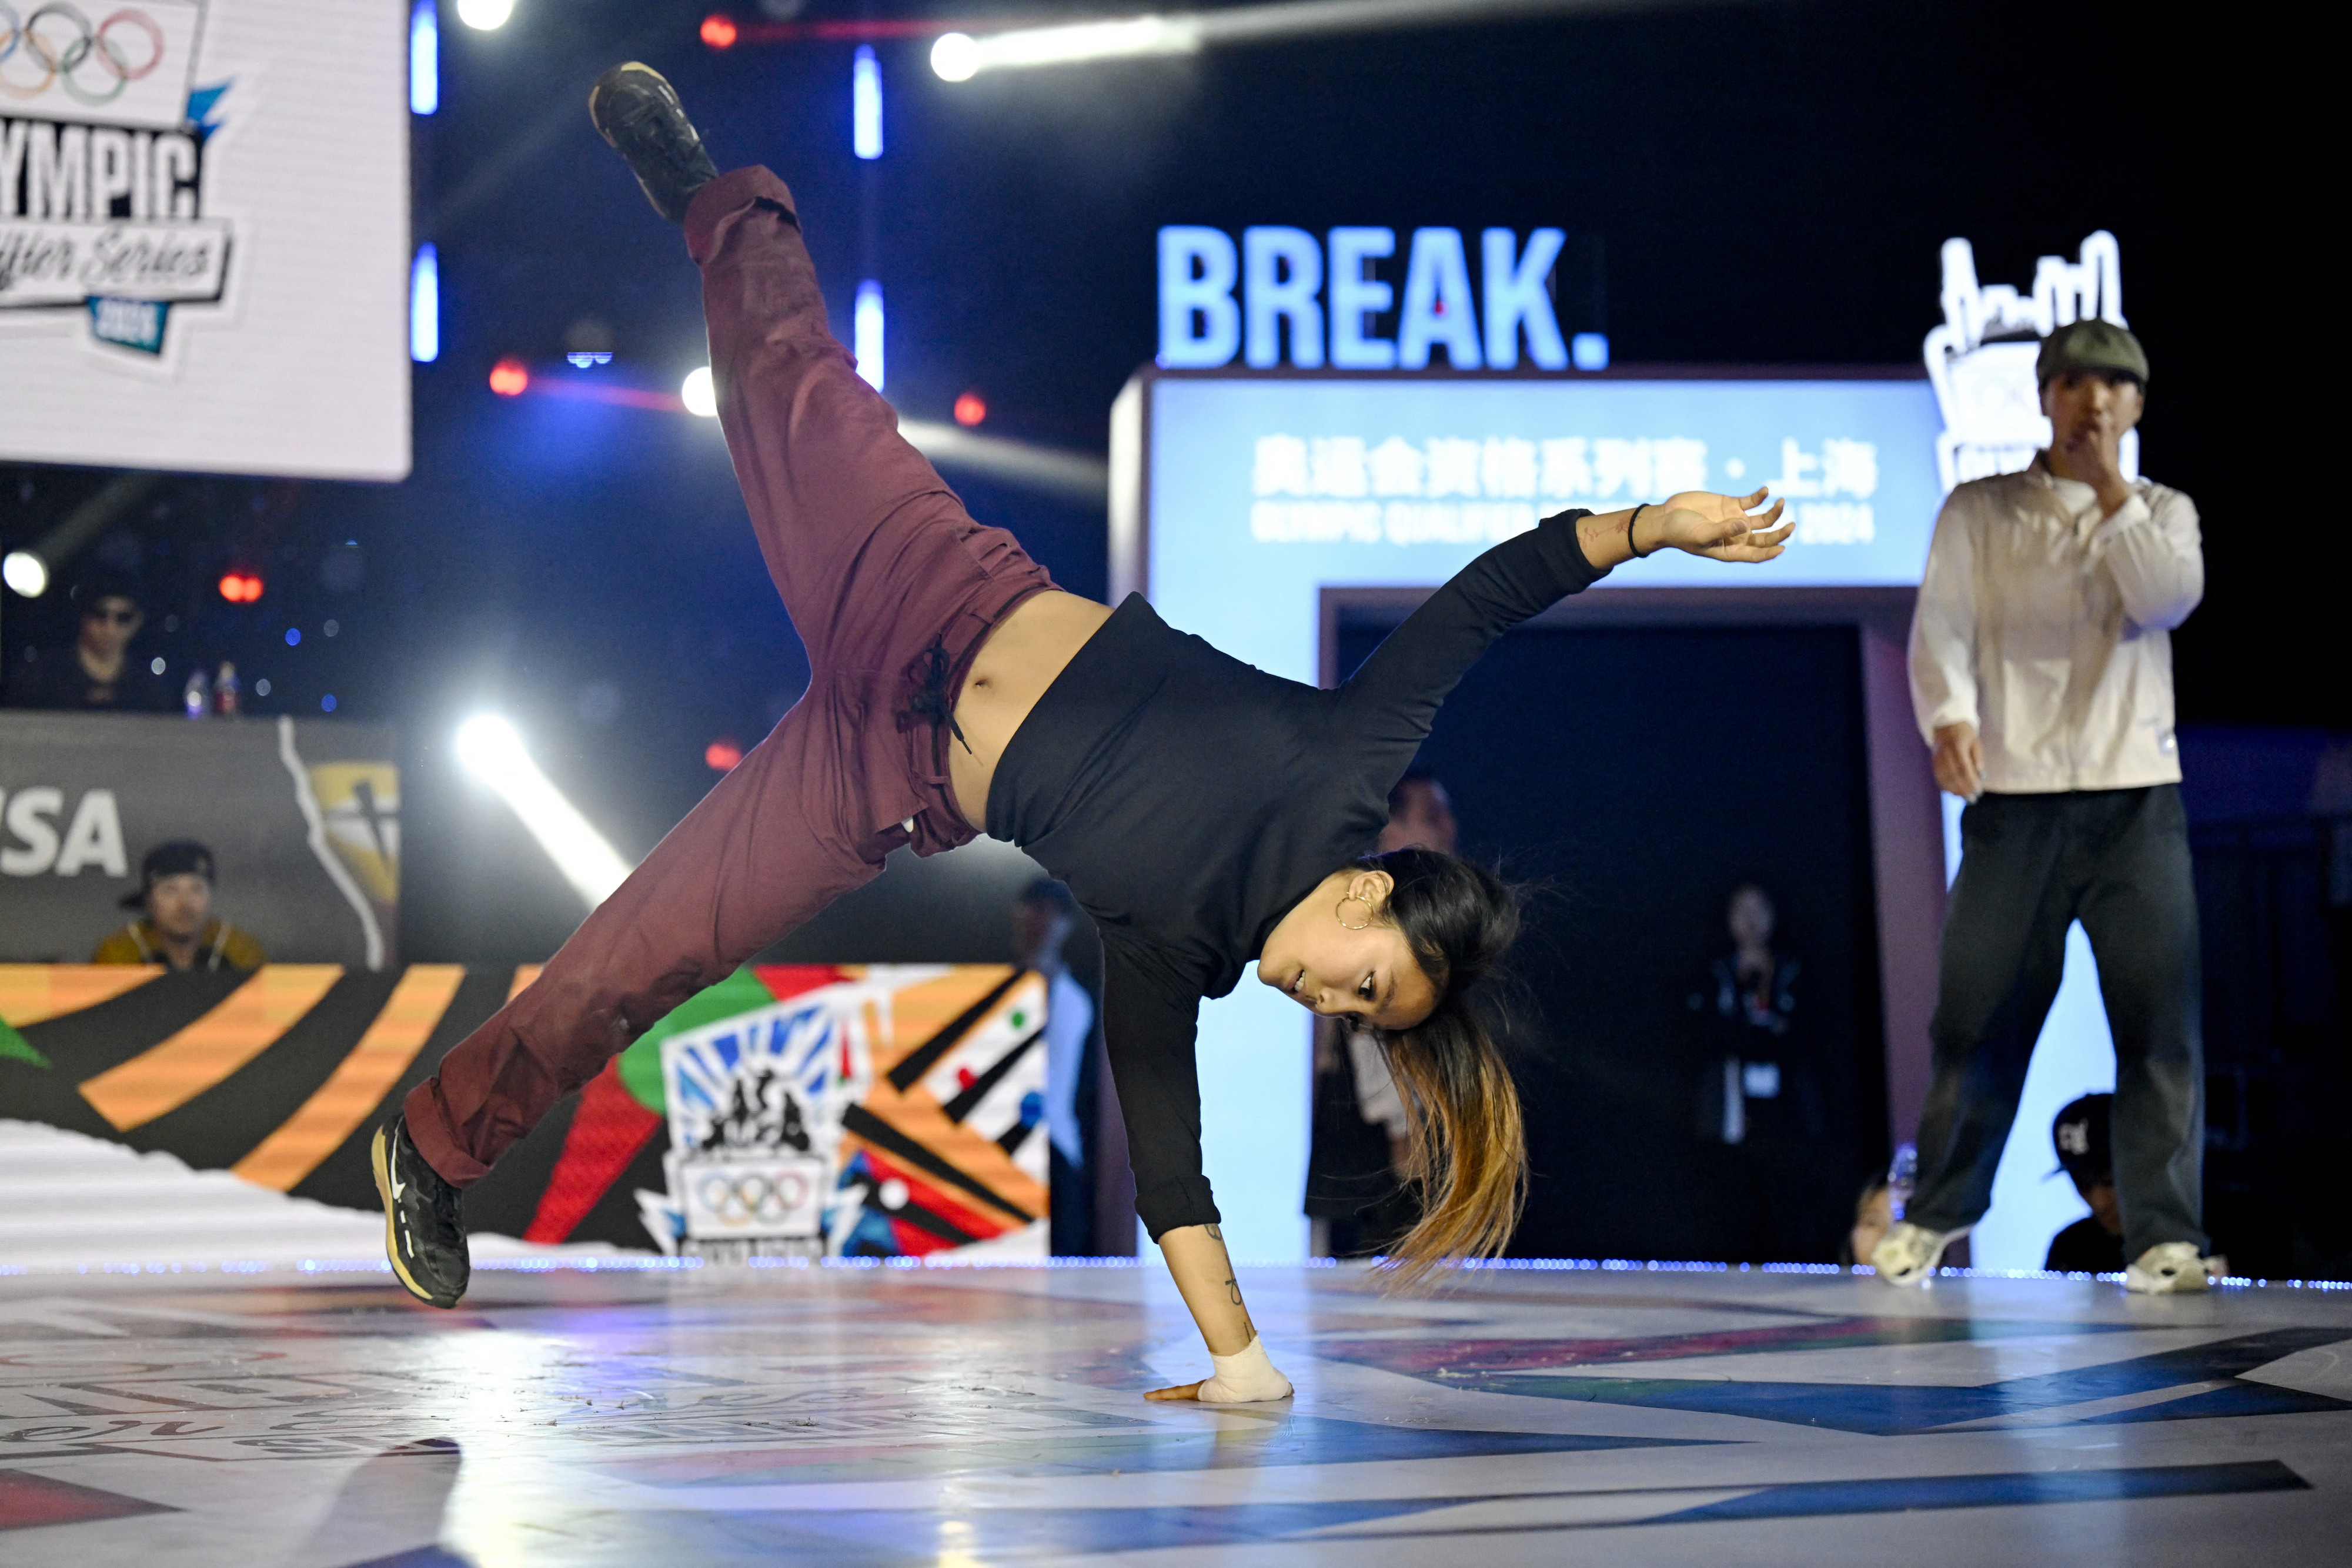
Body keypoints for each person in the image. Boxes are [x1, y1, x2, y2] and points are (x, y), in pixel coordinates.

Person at [368, 63, 1792, 1403]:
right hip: (926, 577)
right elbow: (1481, 603)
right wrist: (1652, 526)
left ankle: (431, 1150)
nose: (1335, 1006)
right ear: (1369, 896)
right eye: (1370, 985)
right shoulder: (1348, 762)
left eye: (1363, 1021)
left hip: (877, 768)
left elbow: (1171, 1174)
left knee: (648, 946)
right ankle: (709, 190)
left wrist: (1237, 1360)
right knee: (790, 367)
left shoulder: (1177, 957)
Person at [1876, 317, 2211, 1296]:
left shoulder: (2162, 510)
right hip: (2015, 804)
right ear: (2045, 398)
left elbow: (2166, 599)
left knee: (2158, 1021)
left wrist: (2112, 496)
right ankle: (1935, 1218)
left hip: (2134, 802)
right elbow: (1939, 627)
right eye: (2072, 385)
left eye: (2112, 388)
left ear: (2136, 406)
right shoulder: (1980, 511)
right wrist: (1950, 718)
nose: (2091, 403)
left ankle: (2164, 1235)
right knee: (1975, 1018)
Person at [1305, 771, 1459, 1259]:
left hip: (1412, 1132)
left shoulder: (1425, 907)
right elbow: (1365, 1021)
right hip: (1379, 1145)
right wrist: (1401, 1122)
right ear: (1390, 830)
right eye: (1431, 817)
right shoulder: (1372, 906)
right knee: (1367, 1284)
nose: (1448, 828)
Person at [1688, 883, 1826, 1261]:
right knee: (1732, 1207)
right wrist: (1759, 1033)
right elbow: (1708, 1036)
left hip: (1787, 1111)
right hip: (1729, 1112)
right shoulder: (1714, 972)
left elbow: (1805, 1036)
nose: (1751, 921)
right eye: (1741, 911)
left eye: (1759, 910)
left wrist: (1763, 1035)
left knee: (1787, 1205)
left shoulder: (1795, 971)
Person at [1014, 878, 1101, 1255]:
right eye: (1035, 912)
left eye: (1051, 915)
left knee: (1065, 1252)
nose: (1042, 923)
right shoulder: (997, 992)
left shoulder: (1077, 1000)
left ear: (1065, 924)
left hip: (1058, 1143)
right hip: (1005, 1144)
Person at [8, 576, 178, 712]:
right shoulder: (42, 677)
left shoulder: (149, 690)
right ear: (83, 616)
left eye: (123, 617)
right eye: (100, 614)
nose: (110, 628)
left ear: (137, 622)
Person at [92, 841, 268, 971]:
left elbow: (267, 1014)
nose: (185, 904)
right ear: (149, 901)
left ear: (211, 897)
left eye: (196, 890)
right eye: (170, 891)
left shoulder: (239, 949)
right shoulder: (119, 953)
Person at [2042, 1092, 2126, 1275]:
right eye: (2083, 1185)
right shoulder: (2068, 1247)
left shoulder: (2196, 1237)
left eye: (2109, 1182)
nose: (2100, 1202)